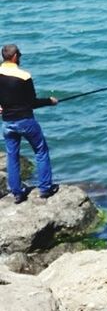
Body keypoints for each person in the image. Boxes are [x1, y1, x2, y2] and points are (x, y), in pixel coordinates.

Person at [1, 44, 59, 204]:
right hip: (25, 121)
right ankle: (45, 189)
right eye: (19, 55)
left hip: (7, 123)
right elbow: (32, 102)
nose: (20, 57)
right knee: (41, 152)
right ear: (14, 57)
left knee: (12, 156)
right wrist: (50, 101)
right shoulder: (24, 76)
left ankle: (17, 193)